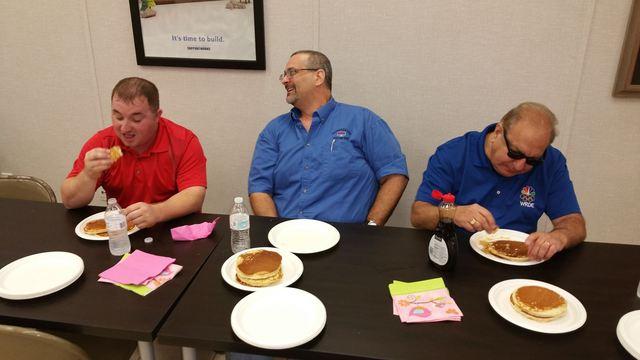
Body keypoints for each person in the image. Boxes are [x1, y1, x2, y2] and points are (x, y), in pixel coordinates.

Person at [248, 50, 408, 226]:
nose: (285, 80)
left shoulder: (362, 121)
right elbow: (259, 189)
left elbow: (394, 175)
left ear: (318, 76)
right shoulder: (274, 130)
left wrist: (371, 228)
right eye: (284, 75)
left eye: (292, 72)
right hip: (286, 240)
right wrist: (277, 232)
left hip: (347, 243)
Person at [411, 102, 586, 260]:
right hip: (457, 256)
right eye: (515, 153)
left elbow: (573, 223)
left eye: (532, 161)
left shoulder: (551, 162)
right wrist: (453, 213)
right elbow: (419, 215)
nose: (519, 166)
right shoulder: (453, 154)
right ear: (498, 132)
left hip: (521, 260)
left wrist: (559, 237)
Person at [61, 77, 207, 229]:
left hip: (173, 228)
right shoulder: (104, 143)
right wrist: (88, 175)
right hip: (122, 232)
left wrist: (157, 212)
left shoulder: (182, 141)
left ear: (157, 116)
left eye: (136, 119)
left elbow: (194, 195)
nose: (124, 128)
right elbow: (70, 202)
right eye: (118, 117)